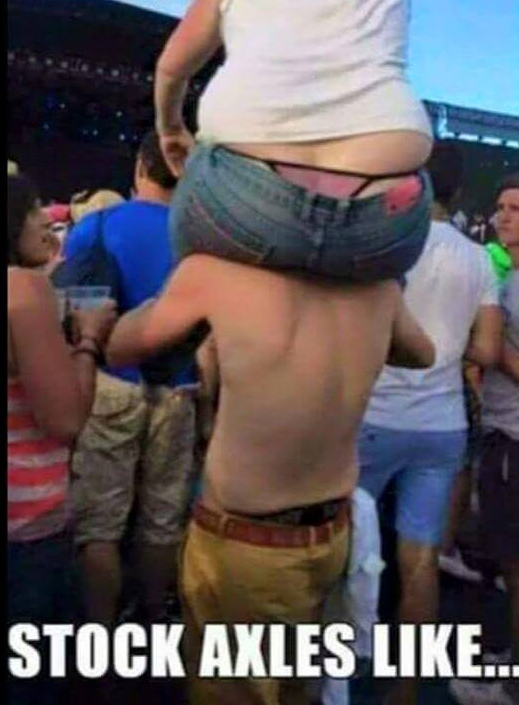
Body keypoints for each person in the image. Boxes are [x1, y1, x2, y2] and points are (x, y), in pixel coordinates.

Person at [106, 256, 434, 705]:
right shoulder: (379, 289)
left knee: (233, 692)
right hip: (330, 535)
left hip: (244, 546)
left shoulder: (216, 273)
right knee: (296, 687)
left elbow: (121, 347)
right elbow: (422, 354)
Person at [154, 0, 433, 284]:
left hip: (246, 201)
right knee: (380, 277)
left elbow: (172, 66)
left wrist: (170, 128)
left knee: (191, 273)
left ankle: (190, 311)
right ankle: (387, 305)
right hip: (384, 214)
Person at [358, 142, 502, 705]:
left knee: (348, 549)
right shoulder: (478, 259)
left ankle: (332, 676)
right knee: (420, 559)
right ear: (458, 192)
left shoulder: (390, 246)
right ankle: (407, 689)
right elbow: (487, 350)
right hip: (441, 425)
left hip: (373, 417)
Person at [63, 131, 201, 626]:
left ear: (141, 167)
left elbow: (75, 309)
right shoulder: (202, 239)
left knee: (100, 522)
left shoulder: (97, 226)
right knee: (162, 518)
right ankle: (153, 620)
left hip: (109, 382)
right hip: (180, 388)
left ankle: (101, 634)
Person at [7, 174, 115, 705]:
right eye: (31, 210)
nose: (45, 223)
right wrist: (89, 339)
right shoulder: (21, 290)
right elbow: (67, 419)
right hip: (24, 532)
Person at [450, 174, 519, 705]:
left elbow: (497, 354)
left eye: (515, 209)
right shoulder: (508, 276)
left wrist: (491, 349)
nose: (503, 217)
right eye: (501, 207)